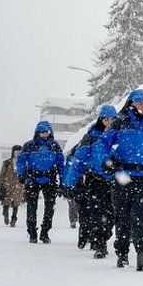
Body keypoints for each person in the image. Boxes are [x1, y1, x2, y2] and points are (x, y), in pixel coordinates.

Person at [95, 89, 143, 270]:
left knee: (142, 217)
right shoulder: (119, 123)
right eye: (139, 102)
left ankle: (142, 253)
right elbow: (101, 145)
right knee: (122, 216)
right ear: (131, 104)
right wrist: (105, 162)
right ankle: (122, 253)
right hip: (122, 175)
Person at [61, 105, 118, 259]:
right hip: (95, 180)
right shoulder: (90, 137)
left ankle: (103, 236)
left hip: (113, 180)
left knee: (112, 214)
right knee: (97, 213)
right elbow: (77, 161)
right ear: (101, 120)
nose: (110, 122)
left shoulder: (119, 136)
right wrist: (69, 183)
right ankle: (99, 243)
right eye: (107, 119)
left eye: (113, 119)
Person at [16, 121, 65, 244]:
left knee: (50, 207)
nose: (44, 135)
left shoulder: (55, 146)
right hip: (33, 179)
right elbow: (21, 161)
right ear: (37, 132)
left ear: (50, 132)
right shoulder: (29, 145)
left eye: (46, 132)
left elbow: (61, 164)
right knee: (32, 207)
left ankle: (45, 232)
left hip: (50, 179)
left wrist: (63, 179)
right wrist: (21, 174)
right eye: (42, 132)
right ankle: (32, 232)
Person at [0, 145, 25, 227]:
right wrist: (0, 185)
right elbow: (2, 175)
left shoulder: (23, 163)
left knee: (16, 204)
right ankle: (5, 214)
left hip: (18, 186)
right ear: (13, 152)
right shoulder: (7, 162)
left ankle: (13, 219)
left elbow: (26, 175)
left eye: (19, 151)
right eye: (16, 150)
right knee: (6, 203)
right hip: (7, 186)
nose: (18, 152)